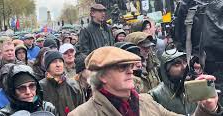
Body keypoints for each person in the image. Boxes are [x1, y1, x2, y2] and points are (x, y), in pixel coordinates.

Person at [68, 46, 222, 116]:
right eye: (122, 67)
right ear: (102, 76)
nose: (130, 71)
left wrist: (206, 107)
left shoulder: (146, 101)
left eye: (130, 66)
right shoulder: (82, 114)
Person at [149, 50, 197, 114]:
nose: (185, 67)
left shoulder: (196, 88)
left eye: (186, 61)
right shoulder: (155, 95)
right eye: (177, 64)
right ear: (166, 71)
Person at [39, 50, 83, 116]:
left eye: (60, 61)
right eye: (54, 62)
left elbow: (82, 109)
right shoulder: (40, 87)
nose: (58, 65)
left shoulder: (74, 85)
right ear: (47, 66)